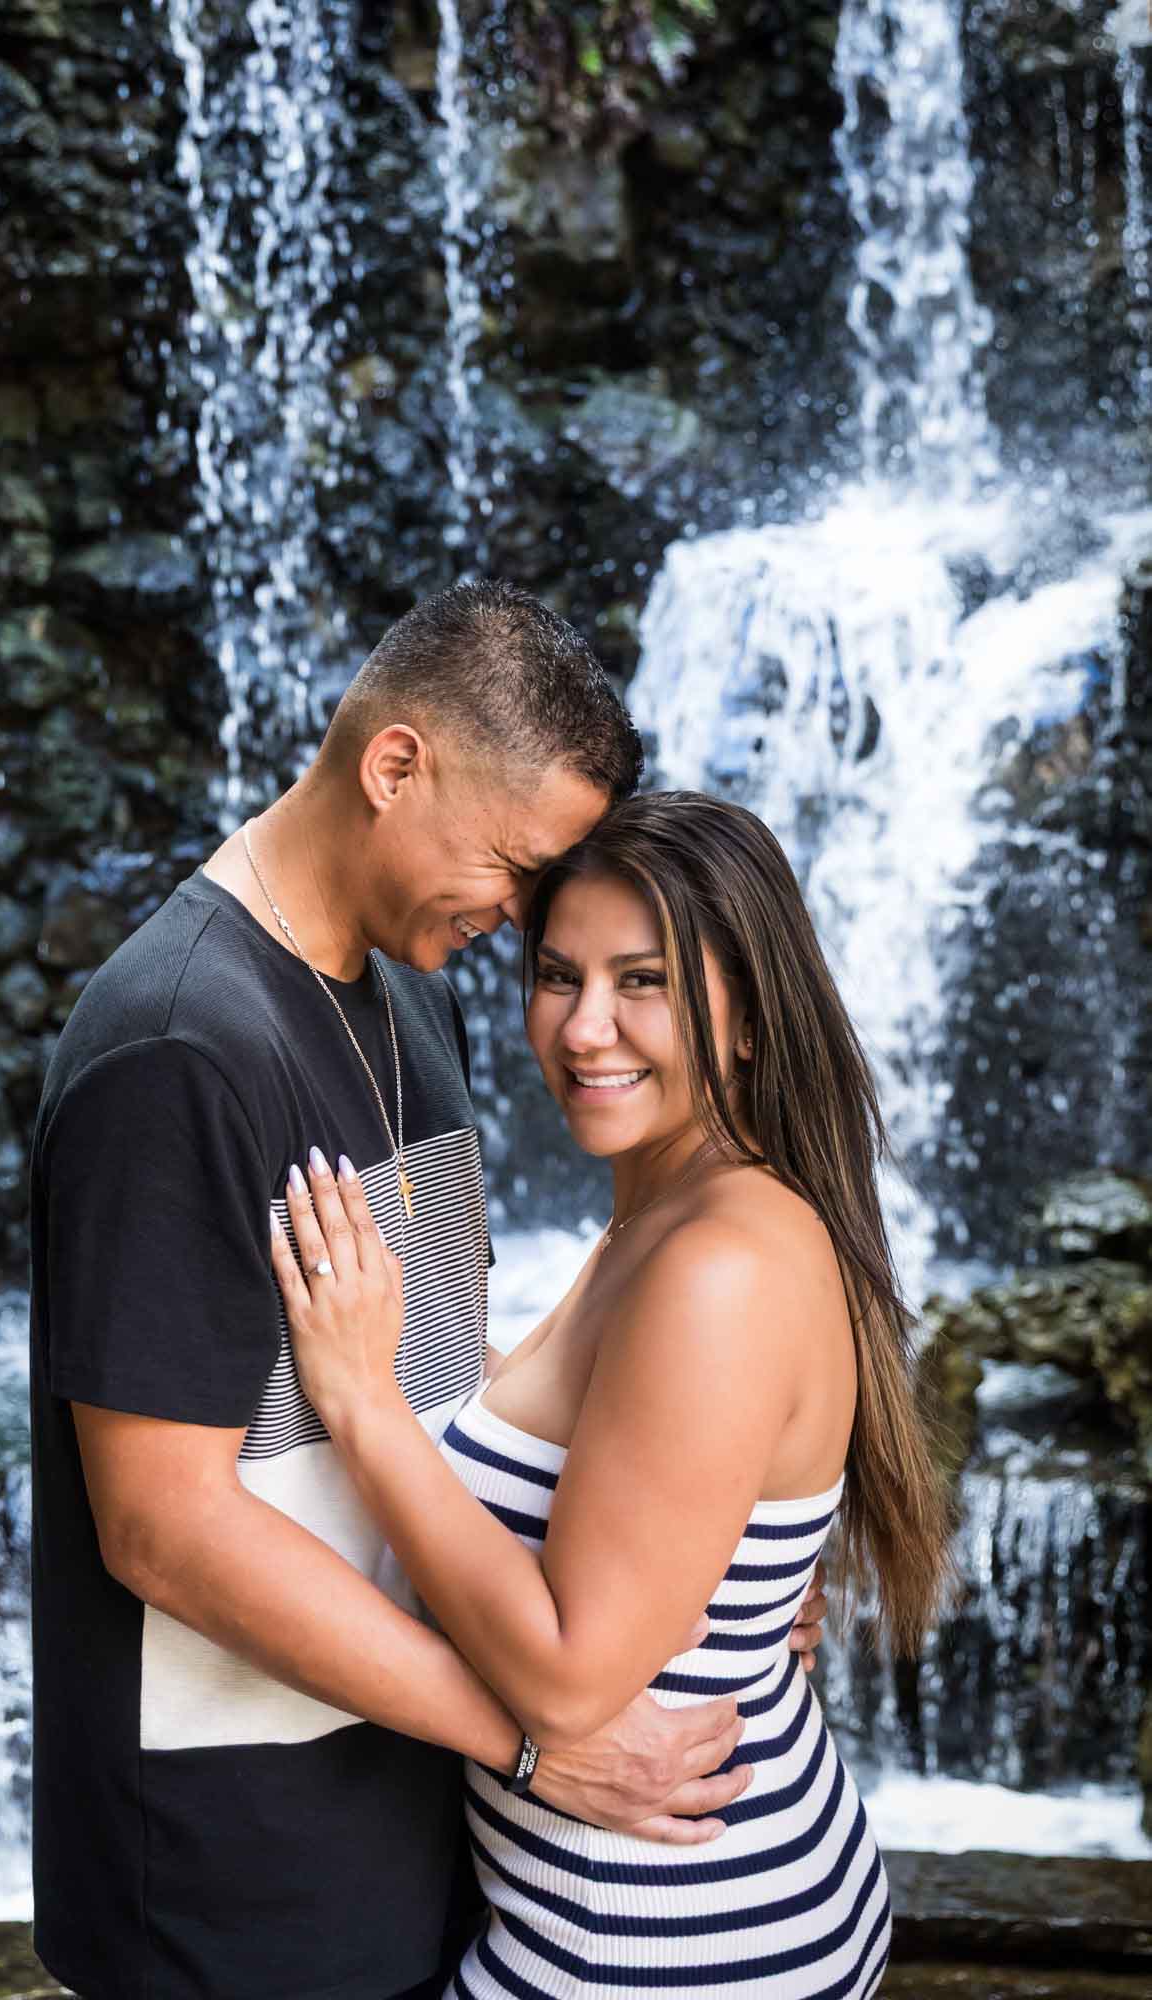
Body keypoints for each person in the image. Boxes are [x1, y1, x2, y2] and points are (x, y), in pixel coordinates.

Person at [29, 585, 828, 2000]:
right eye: (516, 868)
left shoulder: (412, 990)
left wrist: (711, 1574)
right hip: (240, 1867)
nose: (522, 921)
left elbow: (434, 1377)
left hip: (416, 1822)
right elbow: (162, 1529)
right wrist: (530, 1733)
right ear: (396, 767)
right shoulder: (177, 1050)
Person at [271, 788, 954, 2000]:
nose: (586, 1028)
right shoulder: (672, 1208)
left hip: (665, 1943)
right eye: (558, 974)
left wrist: (368, 1407)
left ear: (749, 1017)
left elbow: (575, 1677)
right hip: (655, 1905)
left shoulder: (717, 1266)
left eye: (644, 981)